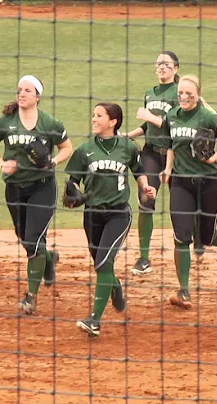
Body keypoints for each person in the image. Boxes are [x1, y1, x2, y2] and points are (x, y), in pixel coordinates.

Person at [0, 75, 73, 315]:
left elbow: (67, 148)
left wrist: (53, 160)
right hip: (14, 189)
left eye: (27, 91)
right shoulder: (5, 122)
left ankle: (30, 297)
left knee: (33, 239)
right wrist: (1, 165)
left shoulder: (50, 123)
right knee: (25, 238)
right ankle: (49, 258)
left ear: (37, 97)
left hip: (42, 187)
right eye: (19, 90)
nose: (21, 94)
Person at [64, 103, 156, 337]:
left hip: (118, 214)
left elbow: (138, 171)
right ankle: (115, 286)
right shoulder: (85, 150)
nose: (94, 119)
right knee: (101, 263)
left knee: (103, 262)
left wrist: (146, 188)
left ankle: (94, 320)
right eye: (93, 115)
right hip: (92, 215)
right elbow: (73, 180)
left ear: (113, 121)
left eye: (99, 116)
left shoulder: (127, 147)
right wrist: (72, 192)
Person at [147, 74, 217, 309]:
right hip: (181, 183)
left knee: (204, 237)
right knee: (181, 236)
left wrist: (211, 158)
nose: (184, 97)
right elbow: (170, 146)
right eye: (181, 93)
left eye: (188, 93)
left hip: (209, 183)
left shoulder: (209, 117)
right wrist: (167, 170)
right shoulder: (171, 117)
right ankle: (183, 290)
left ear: (197, 94)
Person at [123, 51, 204, 276]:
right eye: (158, 64)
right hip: (151, 153)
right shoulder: (150, 93)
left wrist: (149, 117)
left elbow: (173, 127)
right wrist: (129, 135)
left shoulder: (180, 93)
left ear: (176, 68)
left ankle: (198, 235)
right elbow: (149, 128)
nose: (161, 68)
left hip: (176, 155)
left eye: (166, 64)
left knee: (184, 204)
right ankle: (144, 258)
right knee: (145, 199)